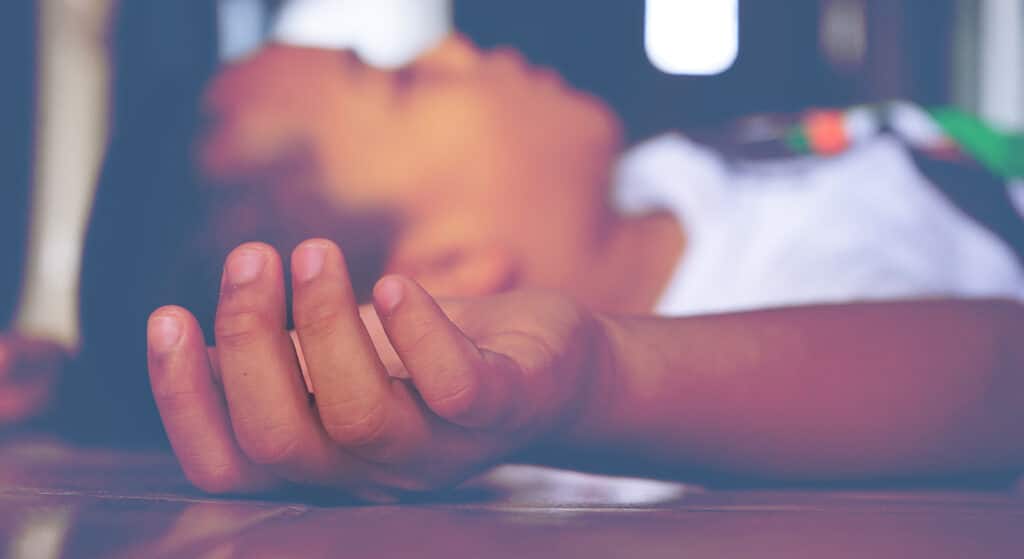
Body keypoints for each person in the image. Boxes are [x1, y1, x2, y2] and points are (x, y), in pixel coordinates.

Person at [145, 35, 1024, 497]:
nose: (453, 50)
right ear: (445, 266)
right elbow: (998, 382)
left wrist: (77, 374)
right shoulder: (770, 356)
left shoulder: (652, 178)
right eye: (405, 83)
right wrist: (601, 377)